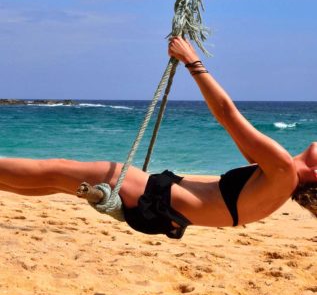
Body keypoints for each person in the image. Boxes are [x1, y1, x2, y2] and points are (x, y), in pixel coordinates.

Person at [0, 37, 316, 239]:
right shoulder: (277, 179)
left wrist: (193, 62)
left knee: (58, 168)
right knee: (57, 181)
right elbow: (239, 136)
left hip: (157, 199)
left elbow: (227, 114)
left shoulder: (284, 171)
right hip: (163, 214)